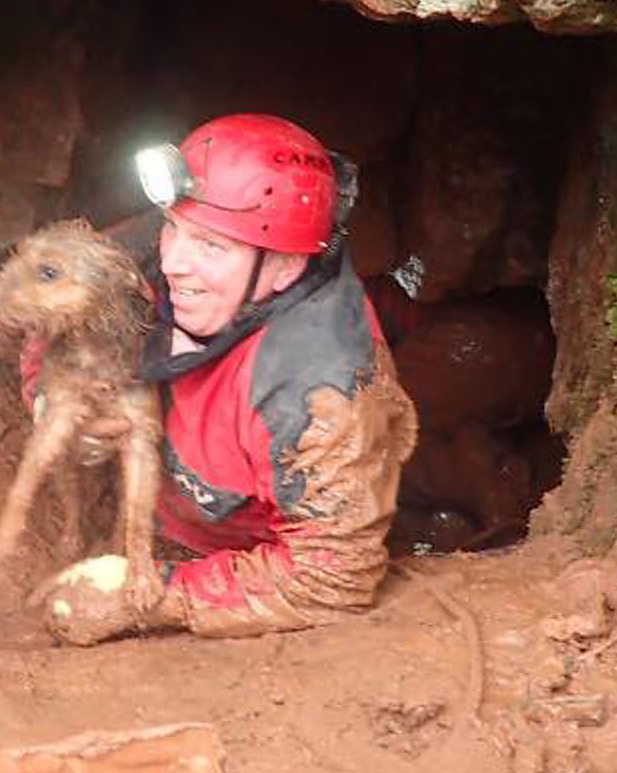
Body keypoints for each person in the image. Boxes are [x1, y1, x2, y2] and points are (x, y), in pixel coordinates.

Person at [38, 113, 418, 643]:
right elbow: (48, 297)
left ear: (284, 264)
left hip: (241, 549)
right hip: (171, 491)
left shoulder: (319, 391)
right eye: (173, 227)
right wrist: (53, 403)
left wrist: (155, 594)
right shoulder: (184, 237)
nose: (173, 262)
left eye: (211, 248)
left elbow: (334, 575)